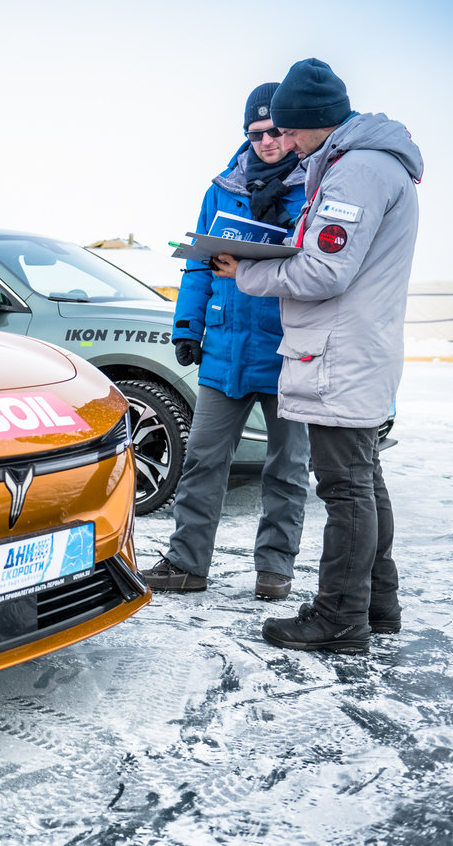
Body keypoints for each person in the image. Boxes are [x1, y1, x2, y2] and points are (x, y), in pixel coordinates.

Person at [211, 58, 423, 654]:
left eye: (292, 129)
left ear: (313, 121)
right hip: (353, 345)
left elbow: (326, 270)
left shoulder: (355, 172)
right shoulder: (365, 165)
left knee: (345, 486)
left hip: (340, 351)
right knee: (363, 481)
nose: (288, 142)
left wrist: (247, 270)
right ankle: (376, 603)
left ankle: (339, 617)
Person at [141, 83, 312, 601]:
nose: (267, 141)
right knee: (202, 461)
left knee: (286, 469)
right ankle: (187, 562)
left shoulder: (316, 185)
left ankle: (274, 571)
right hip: (225, 351)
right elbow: (197, 263)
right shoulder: (222, 187)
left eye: (277, 131)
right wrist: (188, 327)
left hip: (288, 351)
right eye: (255, 133)